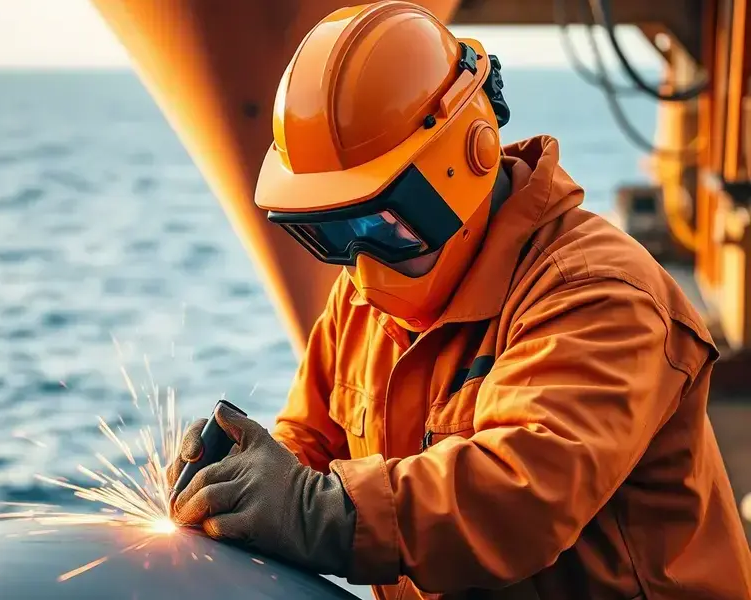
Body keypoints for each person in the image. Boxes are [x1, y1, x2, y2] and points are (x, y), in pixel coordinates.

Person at [165, 2, 751, 598]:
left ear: (463, 166)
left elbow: (520, 497)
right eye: (331, 232)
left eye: (383, 223)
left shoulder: (598, 294)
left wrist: (313, 511)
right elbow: (309, 449)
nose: (363, 264)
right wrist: (239, 485)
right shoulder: (361, 298)